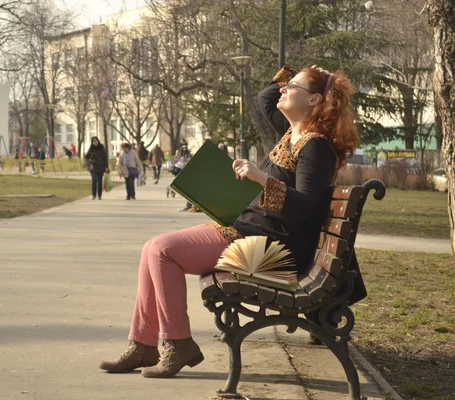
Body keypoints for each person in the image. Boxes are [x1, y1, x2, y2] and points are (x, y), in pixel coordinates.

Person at [99, 65, 364, 378]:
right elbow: (266, 97)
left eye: (292, 86)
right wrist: (297, 71)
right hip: (252, 232)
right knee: (150, 250)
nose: (283, 89)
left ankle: (176, 343)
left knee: (161, 250)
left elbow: (307, 207)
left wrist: (261, 178)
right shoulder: (294, 133)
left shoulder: (315, 146)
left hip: (269, 247)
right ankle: (144, 345)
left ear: (313, 100)